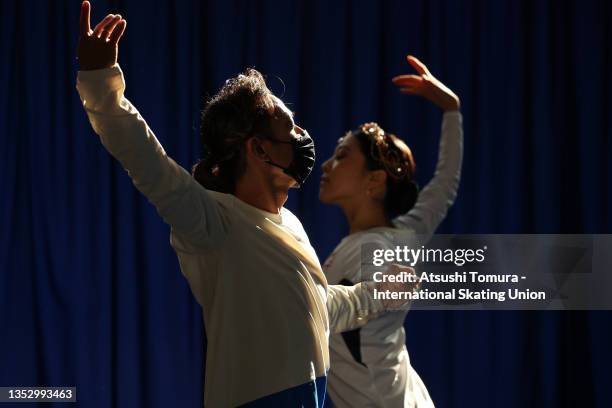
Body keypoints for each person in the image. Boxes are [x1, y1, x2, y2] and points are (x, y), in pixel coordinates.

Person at [75, 2, 417, 406]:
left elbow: (323, 306)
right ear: (258, 149)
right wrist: (100, 83)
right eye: (290, 128)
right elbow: (146, 160)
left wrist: (380, 292)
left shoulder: (289, 225)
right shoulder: (214, 221)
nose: (303, 135)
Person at [319, 55, 463, 407]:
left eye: (341, 155)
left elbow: (370, 330)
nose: (326, 164)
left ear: (374, 179)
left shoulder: (386, 249)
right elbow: (444, 186)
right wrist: (452, 110)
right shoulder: (400, 234)